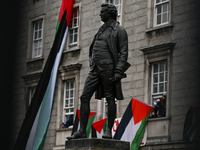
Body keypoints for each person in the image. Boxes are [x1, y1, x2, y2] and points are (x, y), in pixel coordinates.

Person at [67, 3, 130, 140]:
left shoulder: (119, 30)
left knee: (110, 98)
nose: (100, 14)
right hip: (95, 68)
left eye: (103, 12)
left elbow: (124, 52)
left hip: (109, 68)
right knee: (84, 97)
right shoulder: (101, 30)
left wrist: (118, 71)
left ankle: (108, 130)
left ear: (110, 13)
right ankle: (82, 131)